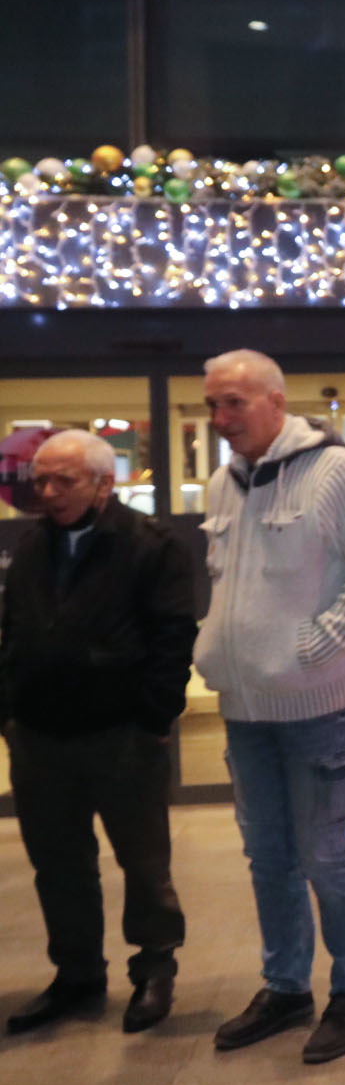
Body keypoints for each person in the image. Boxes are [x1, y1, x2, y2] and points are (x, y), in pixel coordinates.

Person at [194, 349, 345, 1064]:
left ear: (276, 403)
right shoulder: (222, 483)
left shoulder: (332, 470)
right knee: (267, 856)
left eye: (234, 403)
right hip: (244, 709)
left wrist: (314, 649)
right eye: (213, 405)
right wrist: (214, 648)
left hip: (314, 708)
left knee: (323, 853)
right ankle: (286, 987)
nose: (220, 420)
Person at [0, 430, 195, 1036]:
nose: (48, 491)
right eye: (41, 480)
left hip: (122, 737)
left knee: (143, 863)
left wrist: (154, 717)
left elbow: (172, 637)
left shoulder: (151, 546)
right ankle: (78, 976)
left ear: (105, 485)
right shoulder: (32, 545)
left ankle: (154, 971)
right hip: (39, 737)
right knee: (58, 864)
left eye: (64, 480)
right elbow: (13, 632)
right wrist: (10, 713)